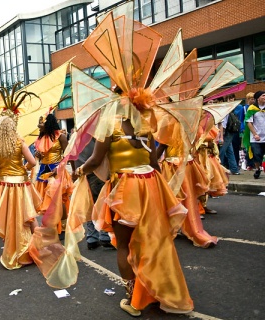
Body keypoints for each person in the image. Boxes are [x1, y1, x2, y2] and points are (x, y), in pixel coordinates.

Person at [76, 91, 193, 316]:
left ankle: (133, 298)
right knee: (154, 240)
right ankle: (160, 289)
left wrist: (79, 170)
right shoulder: (145, 128)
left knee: (124, 244)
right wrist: (163, 192)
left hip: (125, 188)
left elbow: (95, 160)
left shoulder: (109, 126)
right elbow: (153, 163)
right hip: (151, 185)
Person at [0, 115, 41, 270]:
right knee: (28, 216)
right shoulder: (19, 142)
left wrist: (2, 174)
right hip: (21, 185)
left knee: (10, 218)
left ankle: (13, 251)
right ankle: (37, 250)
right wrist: (25, 170)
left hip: (4, 186)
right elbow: (33, 162)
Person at [33, 113, 72, 234]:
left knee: (59, 199)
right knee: (47, 200)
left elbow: (68, 155)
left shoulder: (61, 137)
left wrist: (60, 167)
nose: (39, 126)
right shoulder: (40, 138)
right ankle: (52, 226)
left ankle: (64, 227)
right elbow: (40, 155)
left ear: (48, 123)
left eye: (42, 123)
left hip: (57, 170)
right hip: (44, 170)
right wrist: (38, 156)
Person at [71, 138, 112, 250]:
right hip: (95, 172)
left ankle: (92, 237)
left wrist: (75, 171)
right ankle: (104, 235)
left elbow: (71, 155)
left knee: (89, 204)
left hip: (82, 174)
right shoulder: (97, 133)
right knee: (100, 204)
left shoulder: (77, 135)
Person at [244, 90, 265, 179]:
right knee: (257, 154)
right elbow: (249, 122)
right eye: (263, 96)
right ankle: (257, 169)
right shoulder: (252, 108)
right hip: (256, 137)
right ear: (258, 98)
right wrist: (255, 134)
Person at [218, 94, 241, 175]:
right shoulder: (226, 108)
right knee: (229, 151)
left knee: (222, 151)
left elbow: (223, 124)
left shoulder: (222, 110)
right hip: (229, 132)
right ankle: (234, 169)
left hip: (225, 133)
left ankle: (219, 169)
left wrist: (221, 135)